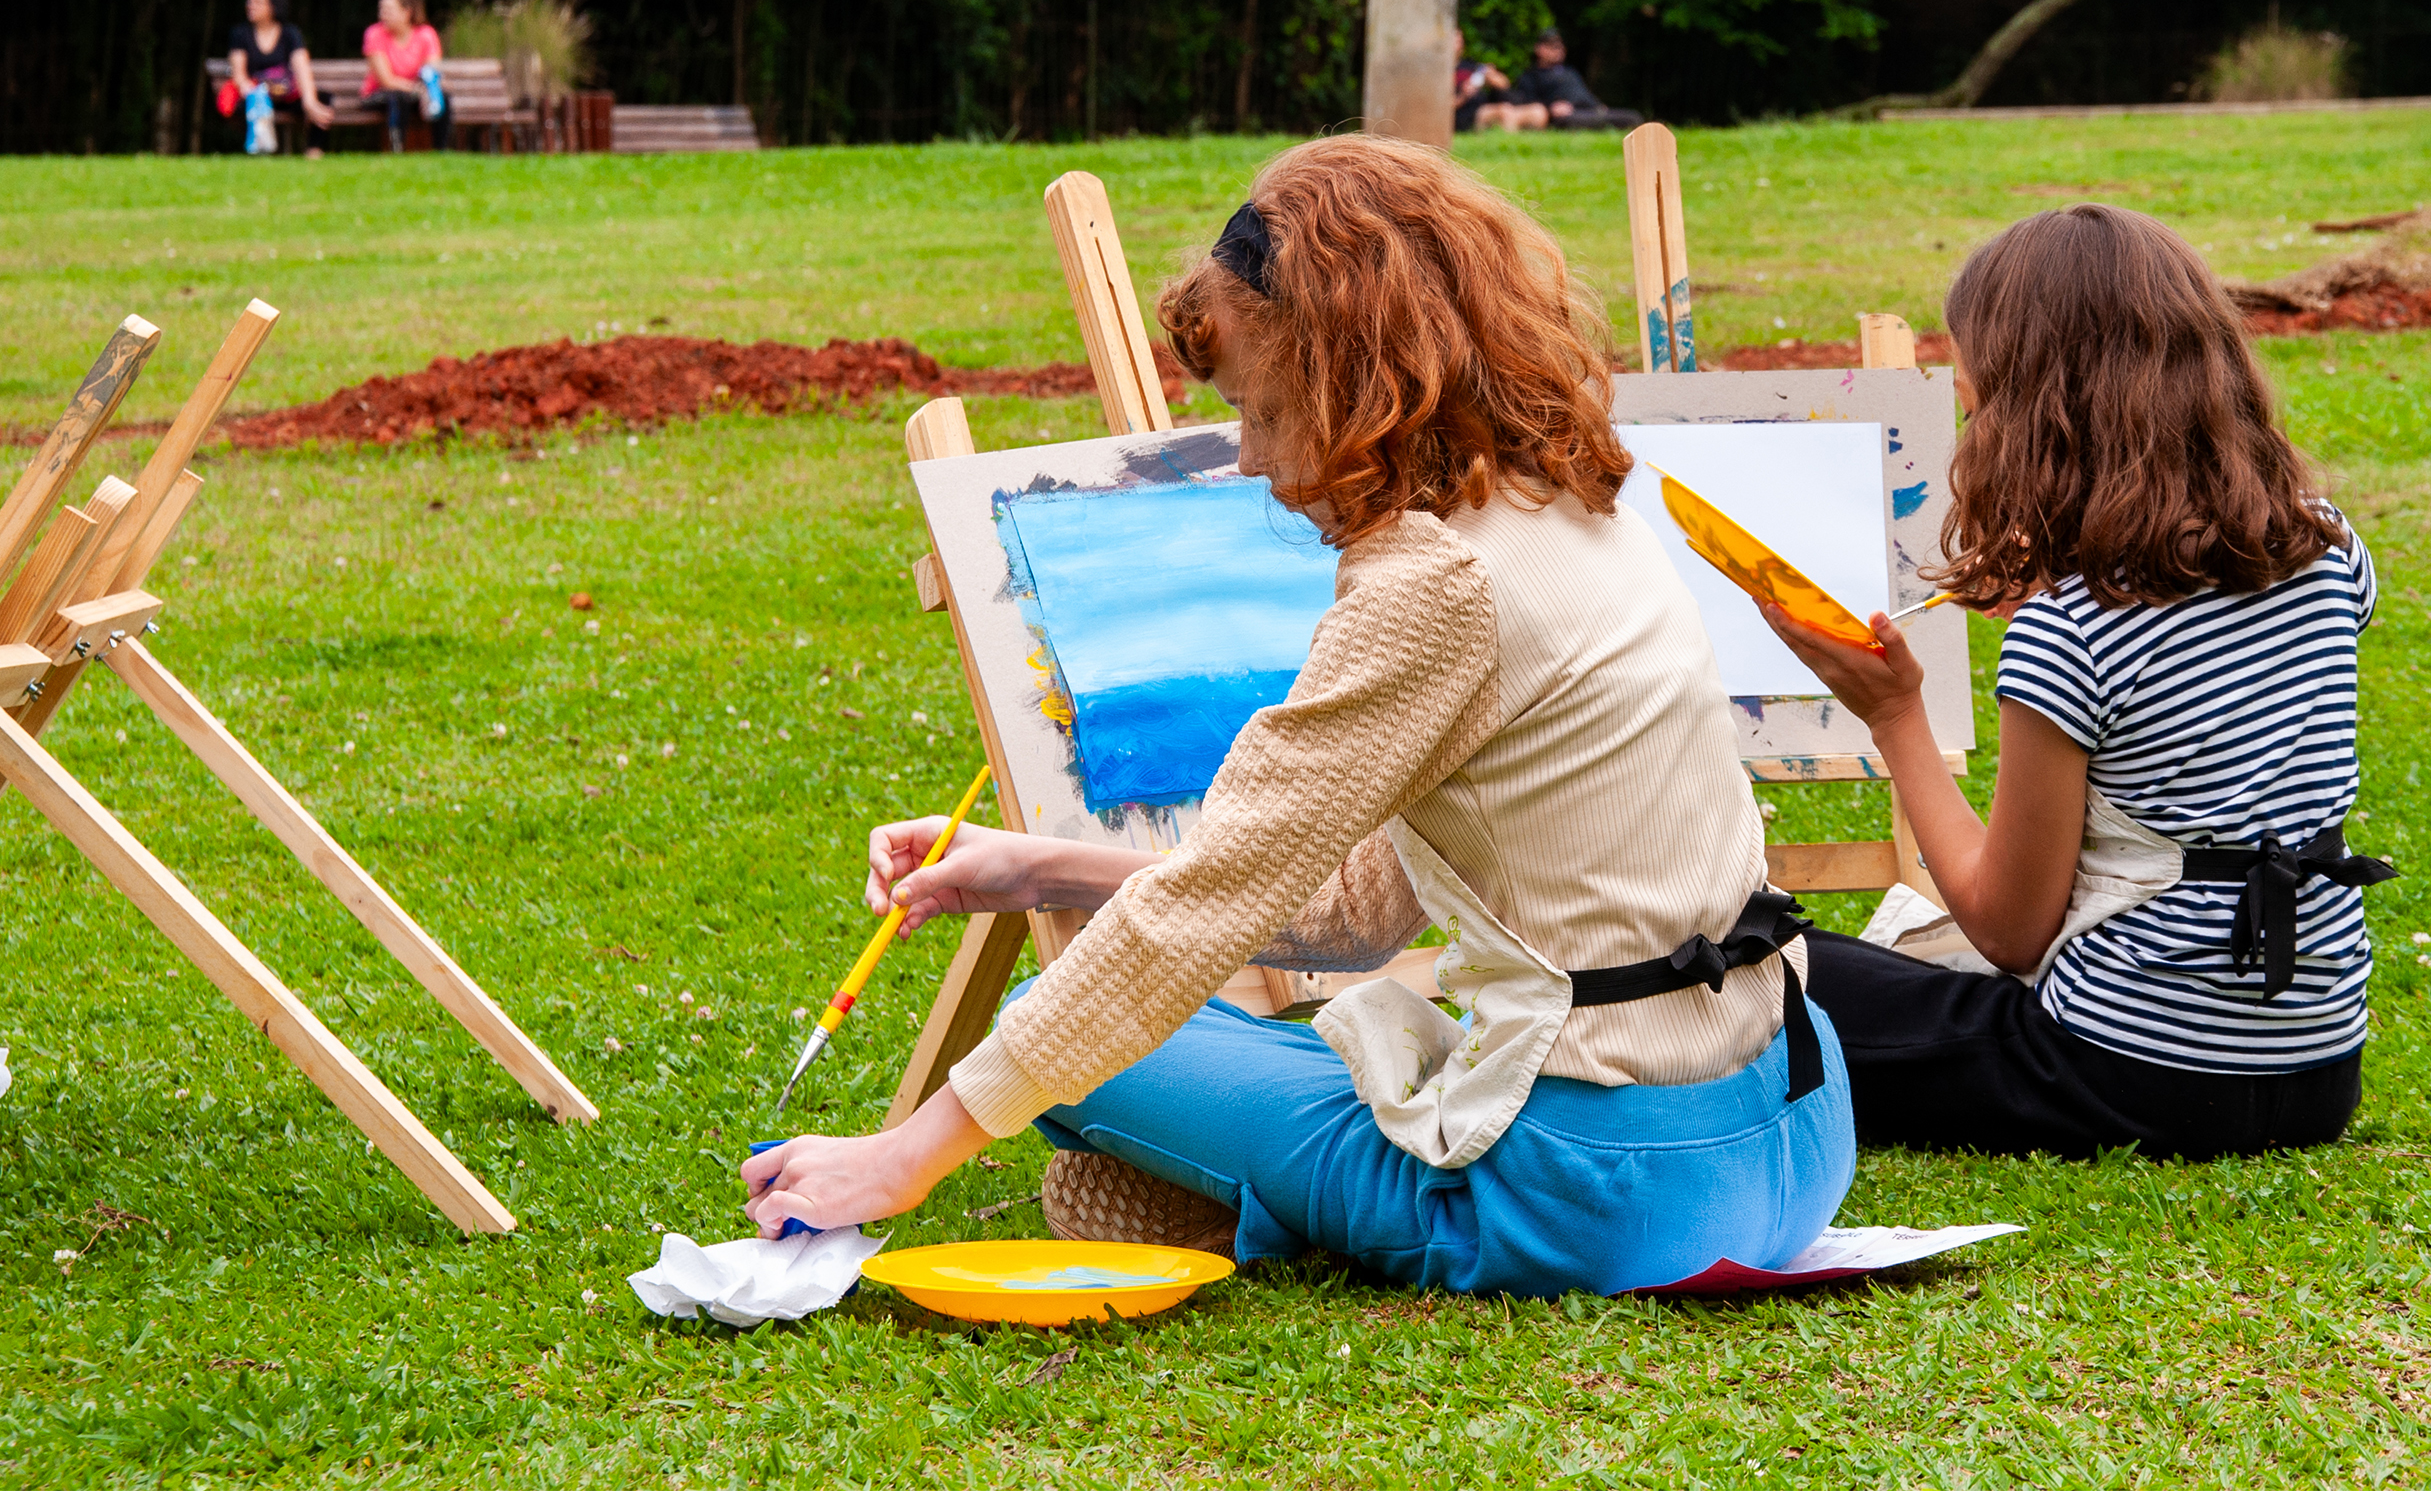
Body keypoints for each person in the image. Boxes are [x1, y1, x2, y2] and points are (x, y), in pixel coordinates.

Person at [744, 138, 1851, 1295]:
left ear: (1349, 379)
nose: (1256, 461)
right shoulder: (1565, 499)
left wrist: (900, 1159)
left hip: (1605, 1191)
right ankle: (1213, 1191)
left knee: (1067, 1036)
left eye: (1261, 411)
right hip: (1794, 1124)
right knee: (1209, 1044)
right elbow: (1358, 914)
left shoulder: (1430, 582)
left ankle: (1224, 1201)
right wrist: (1040, 868)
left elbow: (1200, 914)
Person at [1758, 203, 2394, 1163]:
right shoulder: (2331, 546)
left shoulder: (2074, 630)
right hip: (2316, 1073)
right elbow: (2205, 693)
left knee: (1762, 965)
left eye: (1978, 404)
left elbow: (2011, 931)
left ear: (2032, 416)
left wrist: (1894, 716)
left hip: (2122, 1075)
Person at [226, 0, 333, 155]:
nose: (250, 5)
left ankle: (314, 151)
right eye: (249, 0)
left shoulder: (290, 33)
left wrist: (309, 100)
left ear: (273, 5)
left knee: (322, 98)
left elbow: (302, 67)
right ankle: (257, 151)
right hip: (256, 96)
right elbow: (239, 76)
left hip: (284, 95)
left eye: (257, 1)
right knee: (246, 105)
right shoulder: (240, 34)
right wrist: (255, 95)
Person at [360, 0, 450, 152]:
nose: (382, 15)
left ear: (406, 12)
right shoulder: (374, 34)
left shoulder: (426, 34)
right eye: (381, 9)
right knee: (398, 97)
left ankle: (441, 151)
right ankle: (397, 150)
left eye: (388, 10)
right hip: (379, 94)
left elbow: (432, 73)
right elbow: (386, 81)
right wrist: (419, 90)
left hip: (414, 95)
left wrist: (429, 91)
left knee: (443, 96)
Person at [1504, 28, 1640, 132]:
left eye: (1560, 46)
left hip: (1589, 110)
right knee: (1570, 121)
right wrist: (1551, 108)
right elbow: (1528, 103)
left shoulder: (1570, 72)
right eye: (1553, 47)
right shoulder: (1531, 76)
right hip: (1565, 116)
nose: (1559, 50)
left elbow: (1584, 93)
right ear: (1539, 49)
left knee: (1633, 117)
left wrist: (1598, 106)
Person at [1451, 29, 1540, 132]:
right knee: (1504, 112)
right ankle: (1511, 144)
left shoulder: (1470, 65)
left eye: (1460, 40)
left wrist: (1492, 76)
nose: (1459, 43)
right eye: (1455, 40)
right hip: (1465, 115)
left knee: (1537, 111)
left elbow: (1505, 85)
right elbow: (1437, 108)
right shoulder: (1439, 74)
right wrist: (1463, 96)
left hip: (1486, 107)